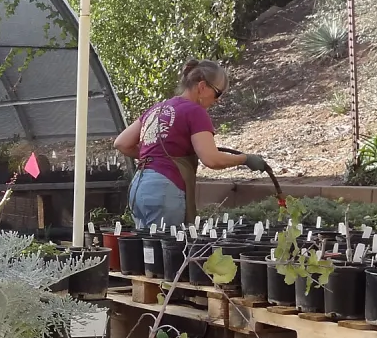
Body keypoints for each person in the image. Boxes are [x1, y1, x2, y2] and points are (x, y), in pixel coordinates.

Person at [113, 59, 268, 229]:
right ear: (202, 87)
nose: (218, 100)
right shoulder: (195, 111)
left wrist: (156, 156)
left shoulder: (158, 108)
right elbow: (211, 159)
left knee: (147, 252)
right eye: (218, 93)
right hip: (164, 189)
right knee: (168, 251)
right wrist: (245, 159)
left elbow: (122, 143)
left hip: (139, 188)